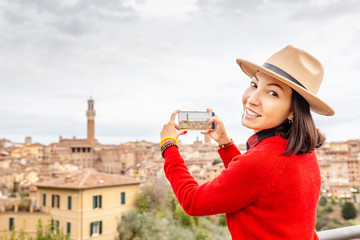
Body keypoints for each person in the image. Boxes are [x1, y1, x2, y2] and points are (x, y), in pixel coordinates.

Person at [160, 45, 334, 240]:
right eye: (254, 84)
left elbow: (192, 201)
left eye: (273, 93)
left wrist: (169, 145)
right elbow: (256, 185)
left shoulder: (265, 159)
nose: (252, 99)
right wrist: (225, 144)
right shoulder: (302, 152)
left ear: (293, 110)